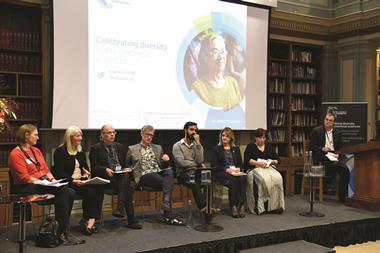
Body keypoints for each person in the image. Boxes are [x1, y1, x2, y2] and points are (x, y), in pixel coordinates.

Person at [8, 124, 81, 245]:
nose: (38, 138)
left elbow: (46, 170)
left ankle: (60, 229)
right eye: (36, 135)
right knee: (63, 190)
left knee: (70, 192)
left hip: (42, 183)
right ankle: (60, 231)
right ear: (26, 135)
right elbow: (24, 177)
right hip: (26, 186)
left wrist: (52, 181)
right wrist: (44, 182)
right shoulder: (16, 154)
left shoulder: (36, 151)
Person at [126, 125, 183, 225]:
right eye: (147, 135)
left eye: (151, 135)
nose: (149, 137)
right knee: (168, 183)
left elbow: (163, 165)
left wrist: (166, 161)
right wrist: (129, 169)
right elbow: (126, 165)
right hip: (144, 175)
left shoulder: (158, 148)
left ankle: (166, 203)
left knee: (169, 171)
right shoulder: (132, 149)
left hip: (158, 172)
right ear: (142, 134)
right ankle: (168, 215)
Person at [52, 126, 104, 235]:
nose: (80, 138)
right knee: (89, 192)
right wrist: (73, 180)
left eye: (81, 135)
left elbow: (85, 167)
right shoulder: (61, 151)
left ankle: (89, 220)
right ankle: (85, 222)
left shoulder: (80, 151)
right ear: (70, 138)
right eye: (77, 136)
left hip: (80, 181)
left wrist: (86, 174)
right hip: (68, 182)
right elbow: (58, 172)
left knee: (97, 189)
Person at [89, 124, 142, 229]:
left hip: (119, 177)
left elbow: (124, 164)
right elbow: (94, 167)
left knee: (125, 177)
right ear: (102, 135)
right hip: (105, 178)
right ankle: (130, 218)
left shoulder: (119, 146)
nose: (112, 134)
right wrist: (105, 169)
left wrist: (127, 168)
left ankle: (120, 206)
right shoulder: (96, 148)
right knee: (127, 187)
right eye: (109, 133)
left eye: (113, 132)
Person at [172, 121, 218, 214]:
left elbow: (200, 160)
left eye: (195, 130)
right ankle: (203, 208)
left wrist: (198, 144)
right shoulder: (177, 146)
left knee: (208, 177)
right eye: (191, 129)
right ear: (185, 130)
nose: (194, 132)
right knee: (194, 182)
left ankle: (208, 206)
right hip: (182, 173)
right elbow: (181, 163)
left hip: (196, 171)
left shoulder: (196, 145)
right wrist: (196, 163)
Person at [192, 33, 244, 111]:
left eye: (223, 52)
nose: (221, 57)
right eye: (215, 52)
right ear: (205, 57)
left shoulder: (233, 83)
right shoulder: (198, 87)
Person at [309, 109, 350, 202]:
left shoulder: (337, 133)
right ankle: (327, 184)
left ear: (334, 122)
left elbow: (340, 148)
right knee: (335, 165)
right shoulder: (316, 131)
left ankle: (342, 197)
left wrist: (338, 154)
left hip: (334, 155)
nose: (327, 122)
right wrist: (322, 149)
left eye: (330, 120)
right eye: (326, 119)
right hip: (322, 155)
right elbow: (311, 146)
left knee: (345, 170)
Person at [244, 128, 285, 215]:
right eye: (260, 138)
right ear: (255, 138)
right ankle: (261, 207)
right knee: (264, 179)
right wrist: (258, 163)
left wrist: (272, 161)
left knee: (278, 178)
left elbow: (278, 160)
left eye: (263, 138)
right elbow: (247, 160)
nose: (262, 140)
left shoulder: (269, 147)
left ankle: (276, 206)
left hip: (268, 168)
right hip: (255, 168)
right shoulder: (250, 147)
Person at [210, 127, 246, 218]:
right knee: (233, 180)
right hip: (220, 172)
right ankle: (233, 206)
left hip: (234, 172)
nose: (224, 138)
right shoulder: (216, 149)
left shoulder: (236, 149)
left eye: (227, 136)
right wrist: (226, 169)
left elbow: (240, 164)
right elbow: (214, 165)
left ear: (231, 138)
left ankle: (241, 205)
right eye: (223, 135)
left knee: (242, 178)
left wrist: (238, 169)